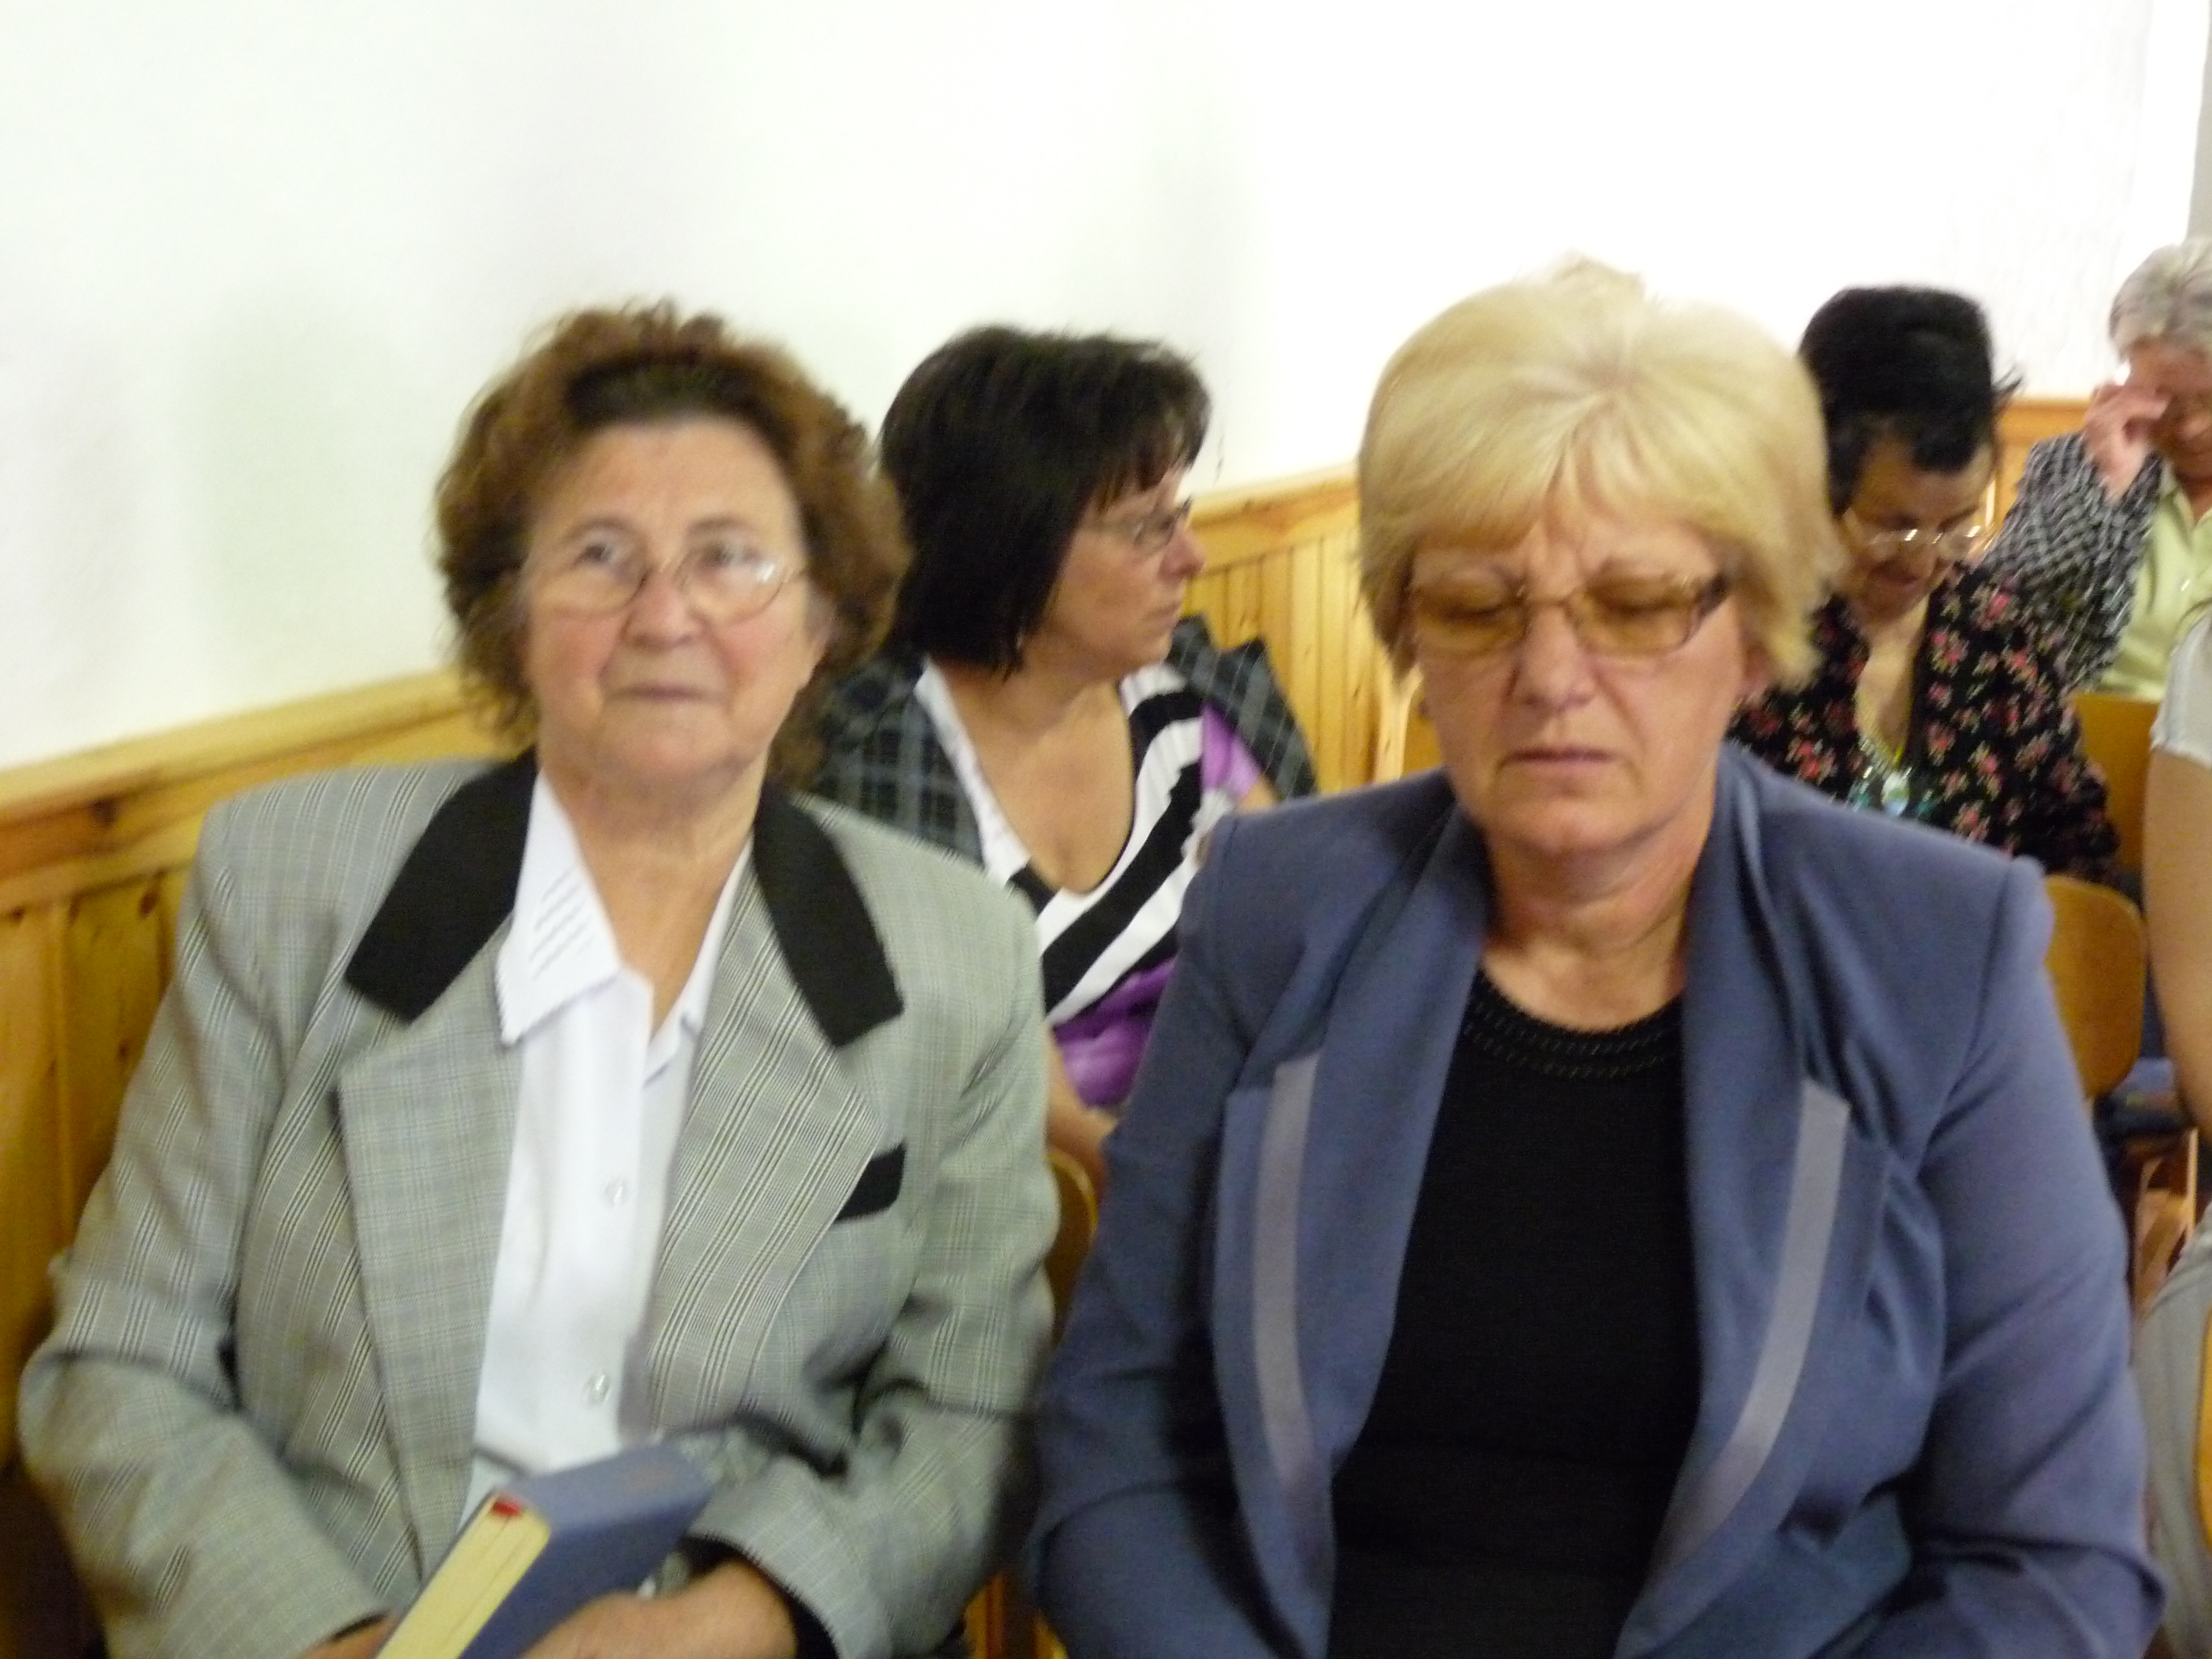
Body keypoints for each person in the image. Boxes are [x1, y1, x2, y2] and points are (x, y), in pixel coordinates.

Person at [1028, 264, 2157, 1658]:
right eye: (1479, 607)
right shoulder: (1280, 906)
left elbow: (2051, 1556)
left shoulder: (1937, 951)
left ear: (1755, 640)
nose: (1552, 676)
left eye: (1633, 604)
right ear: (1409, 633)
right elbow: (1121, 1429)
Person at [19, 306, 1056, 1659]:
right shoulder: (294, 892)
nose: (664, 615)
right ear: (511, 618)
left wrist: (733, 1623)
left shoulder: (953, 955)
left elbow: (971, 1413)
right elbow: (121, 1358)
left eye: (730, 559)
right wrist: (332, 1643)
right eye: (600, 556)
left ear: (821, 617)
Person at [811, 326, 1315, 1185]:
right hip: (1033, 1201)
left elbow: (1303, 961)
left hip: (1237, 1141)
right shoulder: (882, 766)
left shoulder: (1192, 703)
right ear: (1010, 548)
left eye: (1182, 515)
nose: (1191, 557)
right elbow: (1031, 1117)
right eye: (1145, 528)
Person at [1732, 286, 2118, 880]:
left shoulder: (1998, 638)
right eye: (1893, 527)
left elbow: (2075, 851)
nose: (1923, 562)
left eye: (1957, 526)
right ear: (1812, 482)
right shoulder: (1744, 634)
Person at [1986, 238, 2212, 694]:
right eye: (2165, 401)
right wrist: (2103, 484)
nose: (2191, 428)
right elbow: (1995, 607)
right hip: (2087, 726)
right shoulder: (2073, 464)